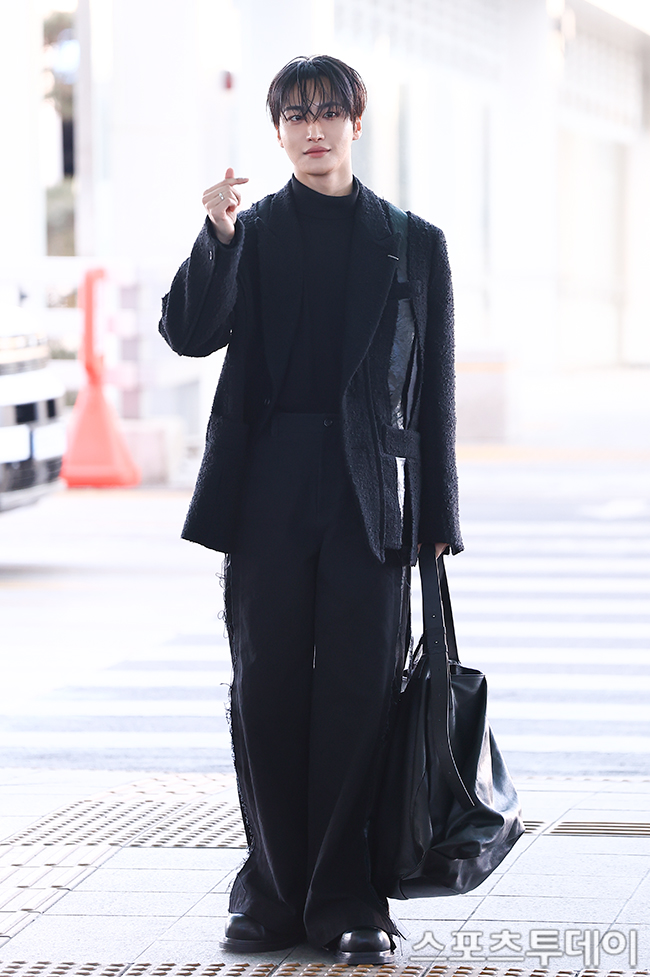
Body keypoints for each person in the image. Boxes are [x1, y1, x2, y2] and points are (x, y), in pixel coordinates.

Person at [159, 54, 463, 964]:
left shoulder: (413, 242)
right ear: (278, 131)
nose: (314, 129)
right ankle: (274, 891)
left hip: (373, 495)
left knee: (361, 694)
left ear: (356, 123)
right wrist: (215, 235)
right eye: (296, 115)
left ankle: (347, 897)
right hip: (267, 489)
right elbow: (187, 333)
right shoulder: (249, 232)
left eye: (330, 112)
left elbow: (434, 397)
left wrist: (438, 520)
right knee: (267, 690)